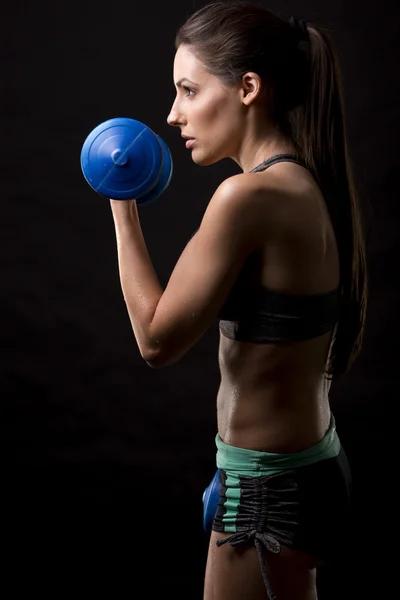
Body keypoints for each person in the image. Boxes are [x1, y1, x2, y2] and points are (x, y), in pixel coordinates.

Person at [109, 1, 368, 598]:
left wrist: (121, 205)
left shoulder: (246, 198)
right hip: (303, 470)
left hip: (267, 491)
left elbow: (155, 340)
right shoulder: (305, 180)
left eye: (189, 90)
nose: (173, 115)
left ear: (248, 88)